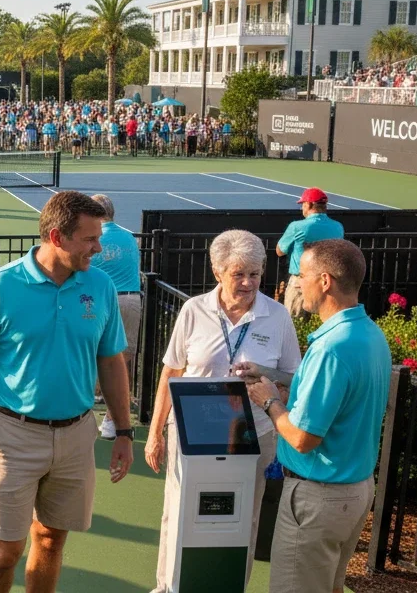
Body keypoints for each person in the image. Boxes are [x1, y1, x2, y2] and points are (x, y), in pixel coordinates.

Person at [0, 191, 133, 593]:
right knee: (5, 552)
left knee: (50, 540)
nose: (98, 248)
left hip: (76, 436)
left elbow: (111, 361)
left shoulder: (100, 286)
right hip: (13, 436)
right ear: (56, 237)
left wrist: (124, 431)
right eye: (89, 239)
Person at [146, 230, 301, 593]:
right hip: (192, 432)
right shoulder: (194, 310)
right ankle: (167, 586)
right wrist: (155, 433)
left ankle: (231, 585)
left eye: (255, 274)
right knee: (179, 510)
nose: (248, 283)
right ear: (217, 272)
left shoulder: (277, 316)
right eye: (238, 274)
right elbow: (171, 372)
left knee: (243, 517)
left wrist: (267, 378)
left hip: (253, 433)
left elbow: (293, 378)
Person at [247, 239, 392, 593]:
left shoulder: (330, 348)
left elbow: (302, 438)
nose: (297, 282)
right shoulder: (370, 334)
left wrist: (269, 401)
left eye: (302, 275)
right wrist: (275, 379)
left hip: (318, 498)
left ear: (325, 281)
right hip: (355, 492)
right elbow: (337, 396)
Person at [89, 195, 142, 441]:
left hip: (103, 301)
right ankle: (112, 421)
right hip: (132, 300)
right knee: (121, 362)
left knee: (90, 355)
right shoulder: (129, 237)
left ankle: (85, 411)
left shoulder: (93, 238)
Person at [276, 188, 345, 317]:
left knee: (294, 323)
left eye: (303, 204)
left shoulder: (296, 227)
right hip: (327, 283)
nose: (302, 208)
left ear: (309, 204)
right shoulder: (338, 227)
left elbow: (280, 251)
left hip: (301, 283)